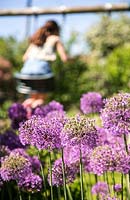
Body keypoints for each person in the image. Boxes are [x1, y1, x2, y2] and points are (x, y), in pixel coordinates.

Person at [20, 20, 68, 108]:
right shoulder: (55, 38)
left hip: (26, 72)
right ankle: (37, 119)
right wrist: (72, 59)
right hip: (42, 71)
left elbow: (24, 58)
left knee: (31, 99)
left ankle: (21, 114)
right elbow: (64, 58)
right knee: (40, 100)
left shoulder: (36, 39)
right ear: (56, 30)